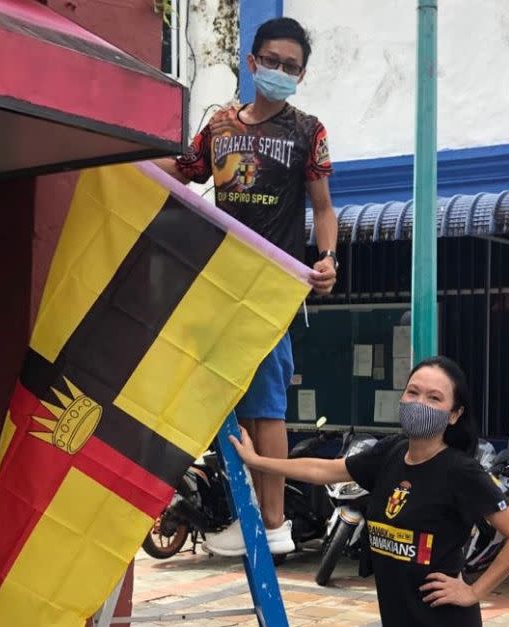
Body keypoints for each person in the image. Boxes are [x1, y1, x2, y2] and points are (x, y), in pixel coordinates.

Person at [155, 17, 338, 556]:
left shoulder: (309, 131)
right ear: (251, 62)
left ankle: (275, 522)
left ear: (301, 74)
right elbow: (183, 171)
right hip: (218, 278)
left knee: (266, 405)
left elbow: (324, 209)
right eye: (273, 62)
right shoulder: (219, 129)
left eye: (293, 67)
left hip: (272, 283)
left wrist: (327, 259)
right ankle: (247, 511)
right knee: (218, 398)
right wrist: (122, 164)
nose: (281, 72)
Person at [229, 356, 509, 626]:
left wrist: (473, 592)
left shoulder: (460, 471)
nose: (419, 403)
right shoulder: (390, 453)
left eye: (434, 398)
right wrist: (259, 462)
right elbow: (324, 470)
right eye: (413, 392)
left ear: (455, 414)